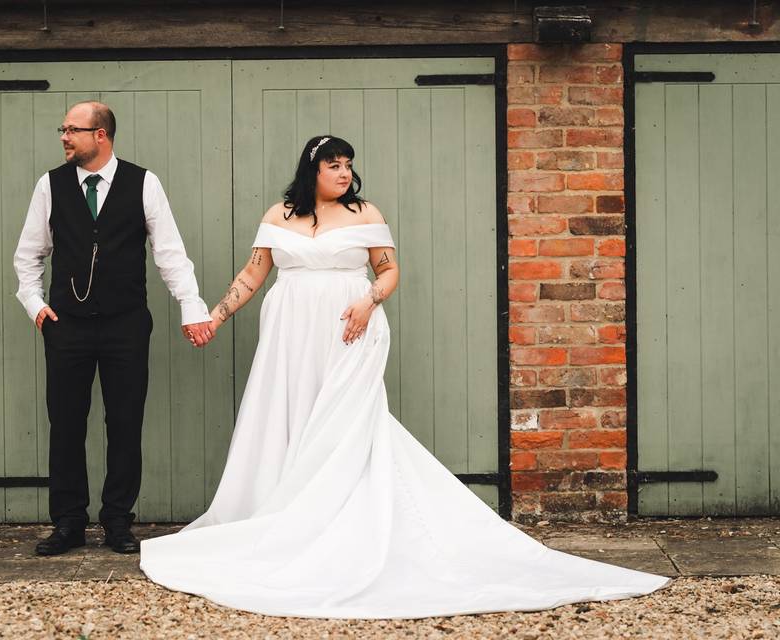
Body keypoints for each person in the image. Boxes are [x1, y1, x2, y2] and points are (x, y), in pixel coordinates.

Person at [139, 135, 670, 617]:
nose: (344, 173)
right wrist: (215, 315)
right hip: (289, 333)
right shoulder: (279, 215)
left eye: (348, 165)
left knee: (342, 420)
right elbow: (254, 272)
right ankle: (283, 514)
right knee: (289, 411)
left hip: (349, 325)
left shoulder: (364, 211)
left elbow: (389, 269)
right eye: (334, 165)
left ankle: (344, 521)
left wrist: (368, 301)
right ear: (312, 169)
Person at [14, 101, 214, 556]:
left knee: (125, 422)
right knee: (65, 424)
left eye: (73, 130)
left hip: (126, 325)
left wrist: (192, 306)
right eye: (62, 128)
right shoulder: (51, 184)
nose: (64, 136)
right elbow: (29, 253)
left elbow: (170, 252)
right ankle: (67, 522)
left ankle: (118, 521)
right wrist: (34, 304)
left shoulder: (144, 183)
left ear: (100, 135)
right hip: (66, 326)